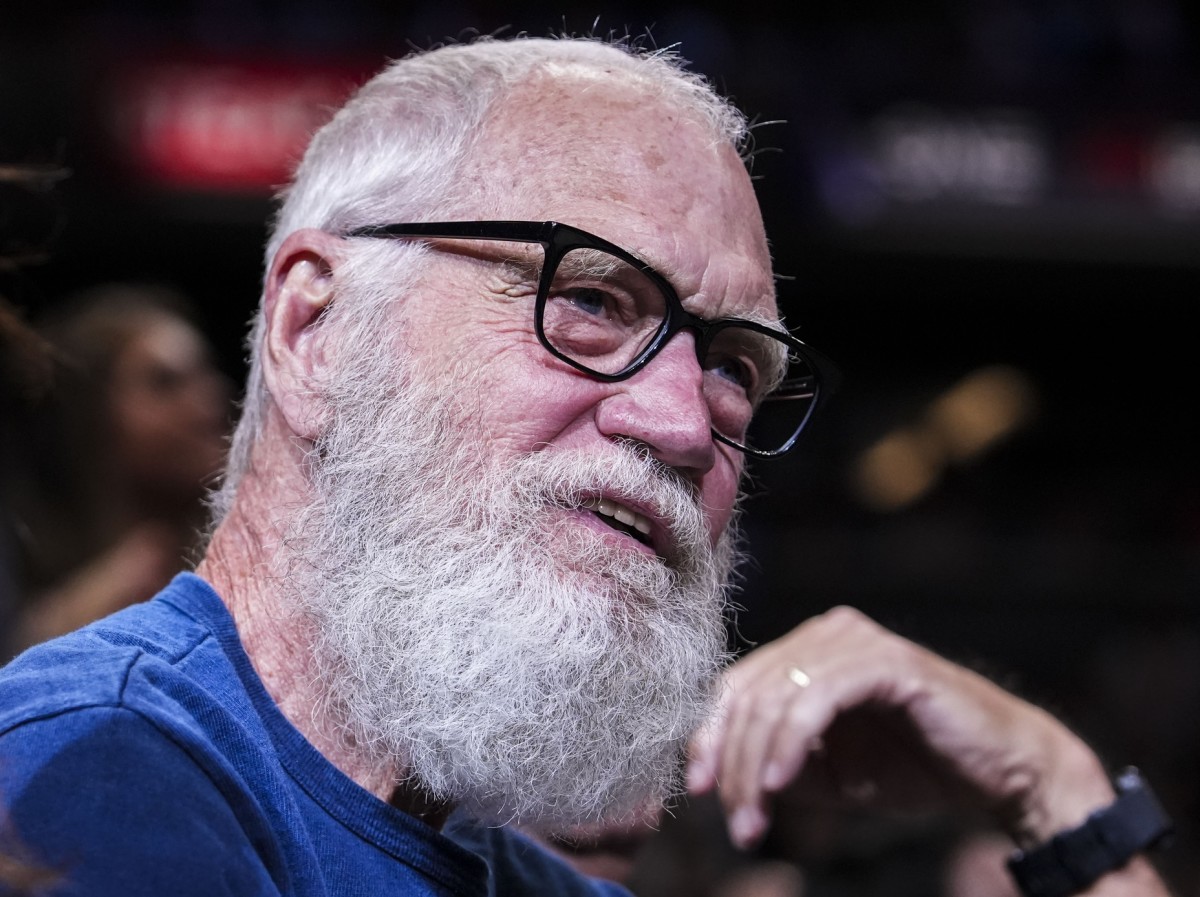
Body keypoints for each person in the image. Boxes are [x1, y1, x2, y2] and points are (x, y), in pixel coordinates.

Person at [0, 36, 1173, 897]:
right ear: (317, 333)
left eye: (734, 364)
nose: (681, 421)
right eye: (594, 300)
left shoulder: (512, 874)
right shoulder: (99, 772)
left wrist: (1048, 782)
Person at [3, 283, 231, 657]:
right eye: (166, 383)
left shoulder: (261, 556)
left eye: (206, 372)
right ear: (91, 412)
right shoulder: (23, 578)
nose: (210, 398)